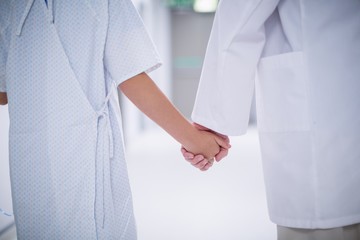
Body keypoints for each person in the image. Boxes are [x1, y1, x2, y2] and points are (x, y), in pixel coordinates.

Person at [0, 0, 230, 239]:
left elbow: (3, 93)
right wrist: (195, 141)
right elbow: (131, 76)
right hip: (84, 156)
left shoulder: (8, 6)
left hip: (29, 161)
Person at [182, 0, 360, 239]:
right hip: (329, 118)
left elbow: (239, 20)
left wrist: (212, 123)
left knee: (320, 226)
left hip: (318, 128)